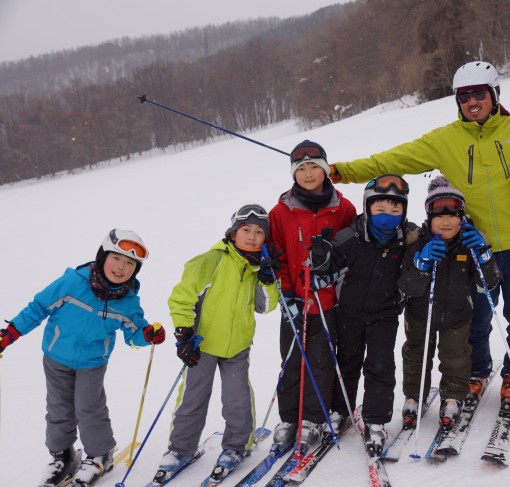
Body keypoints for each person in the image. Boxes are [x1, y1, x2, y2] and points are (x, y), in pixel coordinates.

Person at [328, 60, 510, 400]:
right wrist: (342, 171)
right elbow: (392, 160)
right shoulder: (443, 140)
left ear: (494, 94)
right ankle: (477, 371)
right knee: (475, 320)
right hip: (474, 247)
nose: (471, 101)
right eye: (463, 96)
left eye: (478, 93)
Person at [0, 229, 164, 487]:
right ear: (102, 257)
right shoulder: (73, 282)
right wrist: (10, 333)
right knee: (59, 409)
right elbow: (38, 308)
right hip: (56, 357)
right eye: (116, 259)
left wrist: (148, 335)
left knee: (89, 408)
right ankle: (62, 456)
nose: (121, 268)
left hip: (92, 363)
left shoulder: (128, 302)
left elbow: (134, 334)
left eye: (130, 263)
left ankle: (100, 454)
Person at [152, 205, 280, 484]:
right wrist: (184, 334)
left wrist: (269, 281)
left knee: (237, 399)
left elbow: (266, 307)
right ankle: (180, 449)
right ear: (233, 232)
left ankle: (236, 447)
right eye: (246, 230)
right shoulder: (212, 260)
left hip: (237, 347)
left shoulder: (257, 267)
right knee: (192, 398)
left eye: (259, 232)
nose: (252, 236)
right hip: (203, 344)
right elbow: (182, 297)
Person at [307, 174, 414, 454]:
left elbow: (424, 255)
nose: (388, 216)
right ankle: (341, 409)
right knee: (347, 362)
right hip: (349, 312)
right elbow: (322, 277)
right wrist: (320, 260)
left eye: (395, 210)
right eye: (380, 209)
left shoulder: (407, 239)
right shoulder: (349, 238)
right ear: (367, 208)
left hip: (385, 314)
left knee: (380, 365)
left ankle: (375, 421)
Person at [268, 140, 356, 451]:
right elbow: (275, 255)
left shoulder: (343, 208)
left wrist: (333, 276)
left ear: (324, 169)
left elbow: (350, 252)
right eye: (301, 169)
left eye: (314, 167)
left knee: (320, 361)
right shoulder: (280, 212)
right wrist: (285, 292)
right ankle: (290, 417)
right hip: (294, 302)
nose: (308, 173)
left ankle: (314, 418)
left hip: (327, 300)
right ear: (293, 174)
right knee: (292, 360)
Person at [398, 176, 501, 429]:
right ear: (428, 218)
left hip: (456, 314)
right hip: (420, 313)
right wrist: (421, 264)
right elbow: (406, 285)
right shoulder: (417, 242)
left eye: (452, 215)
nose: (446, 222)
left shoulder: (469, 243)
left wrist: (483, 255)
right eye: (438, 216)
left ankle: (453, 397)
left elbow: (488, 284)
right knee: (416, 355)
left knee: (456, 357)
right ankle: (414, 396)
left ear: (462, 217)